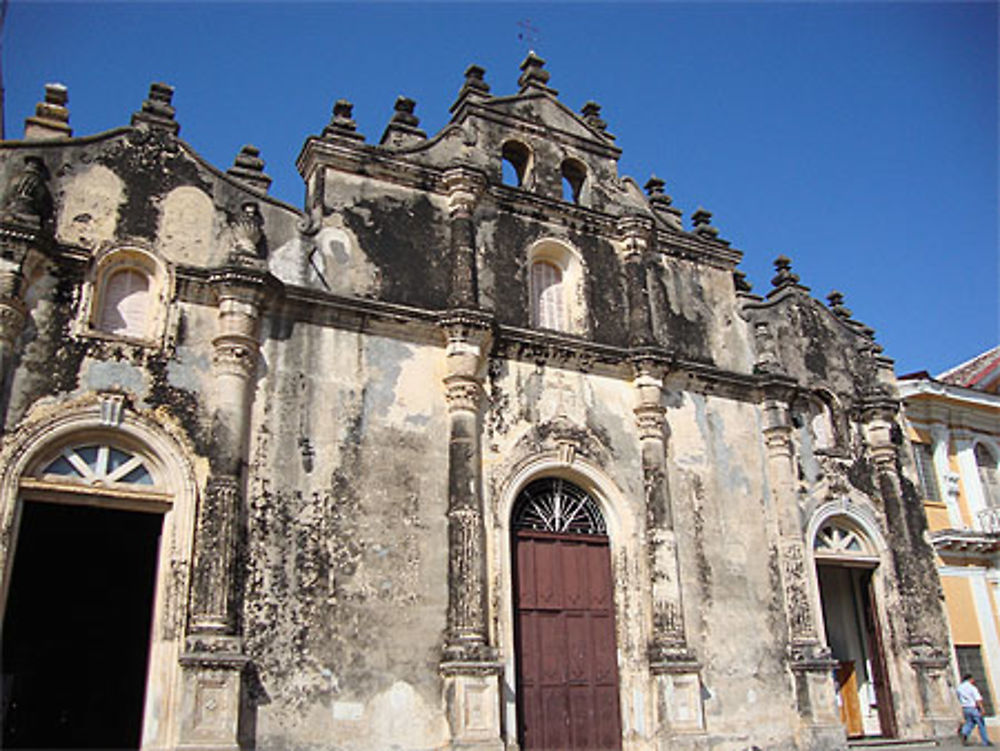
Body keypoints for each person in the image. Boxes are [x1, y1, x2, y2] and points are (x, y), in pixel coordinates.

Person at [958, 673, 994, 746]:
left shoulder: (959, 688)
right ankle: (985, 741)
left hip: (965, 708)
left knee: (970, 722)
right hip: (973, 708)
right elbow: (978, 699)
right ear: (970, 679)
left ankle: (964, 732)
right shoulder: (972, 688)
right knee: (981, 724)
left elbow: (959, 698)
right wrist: (982, 709)